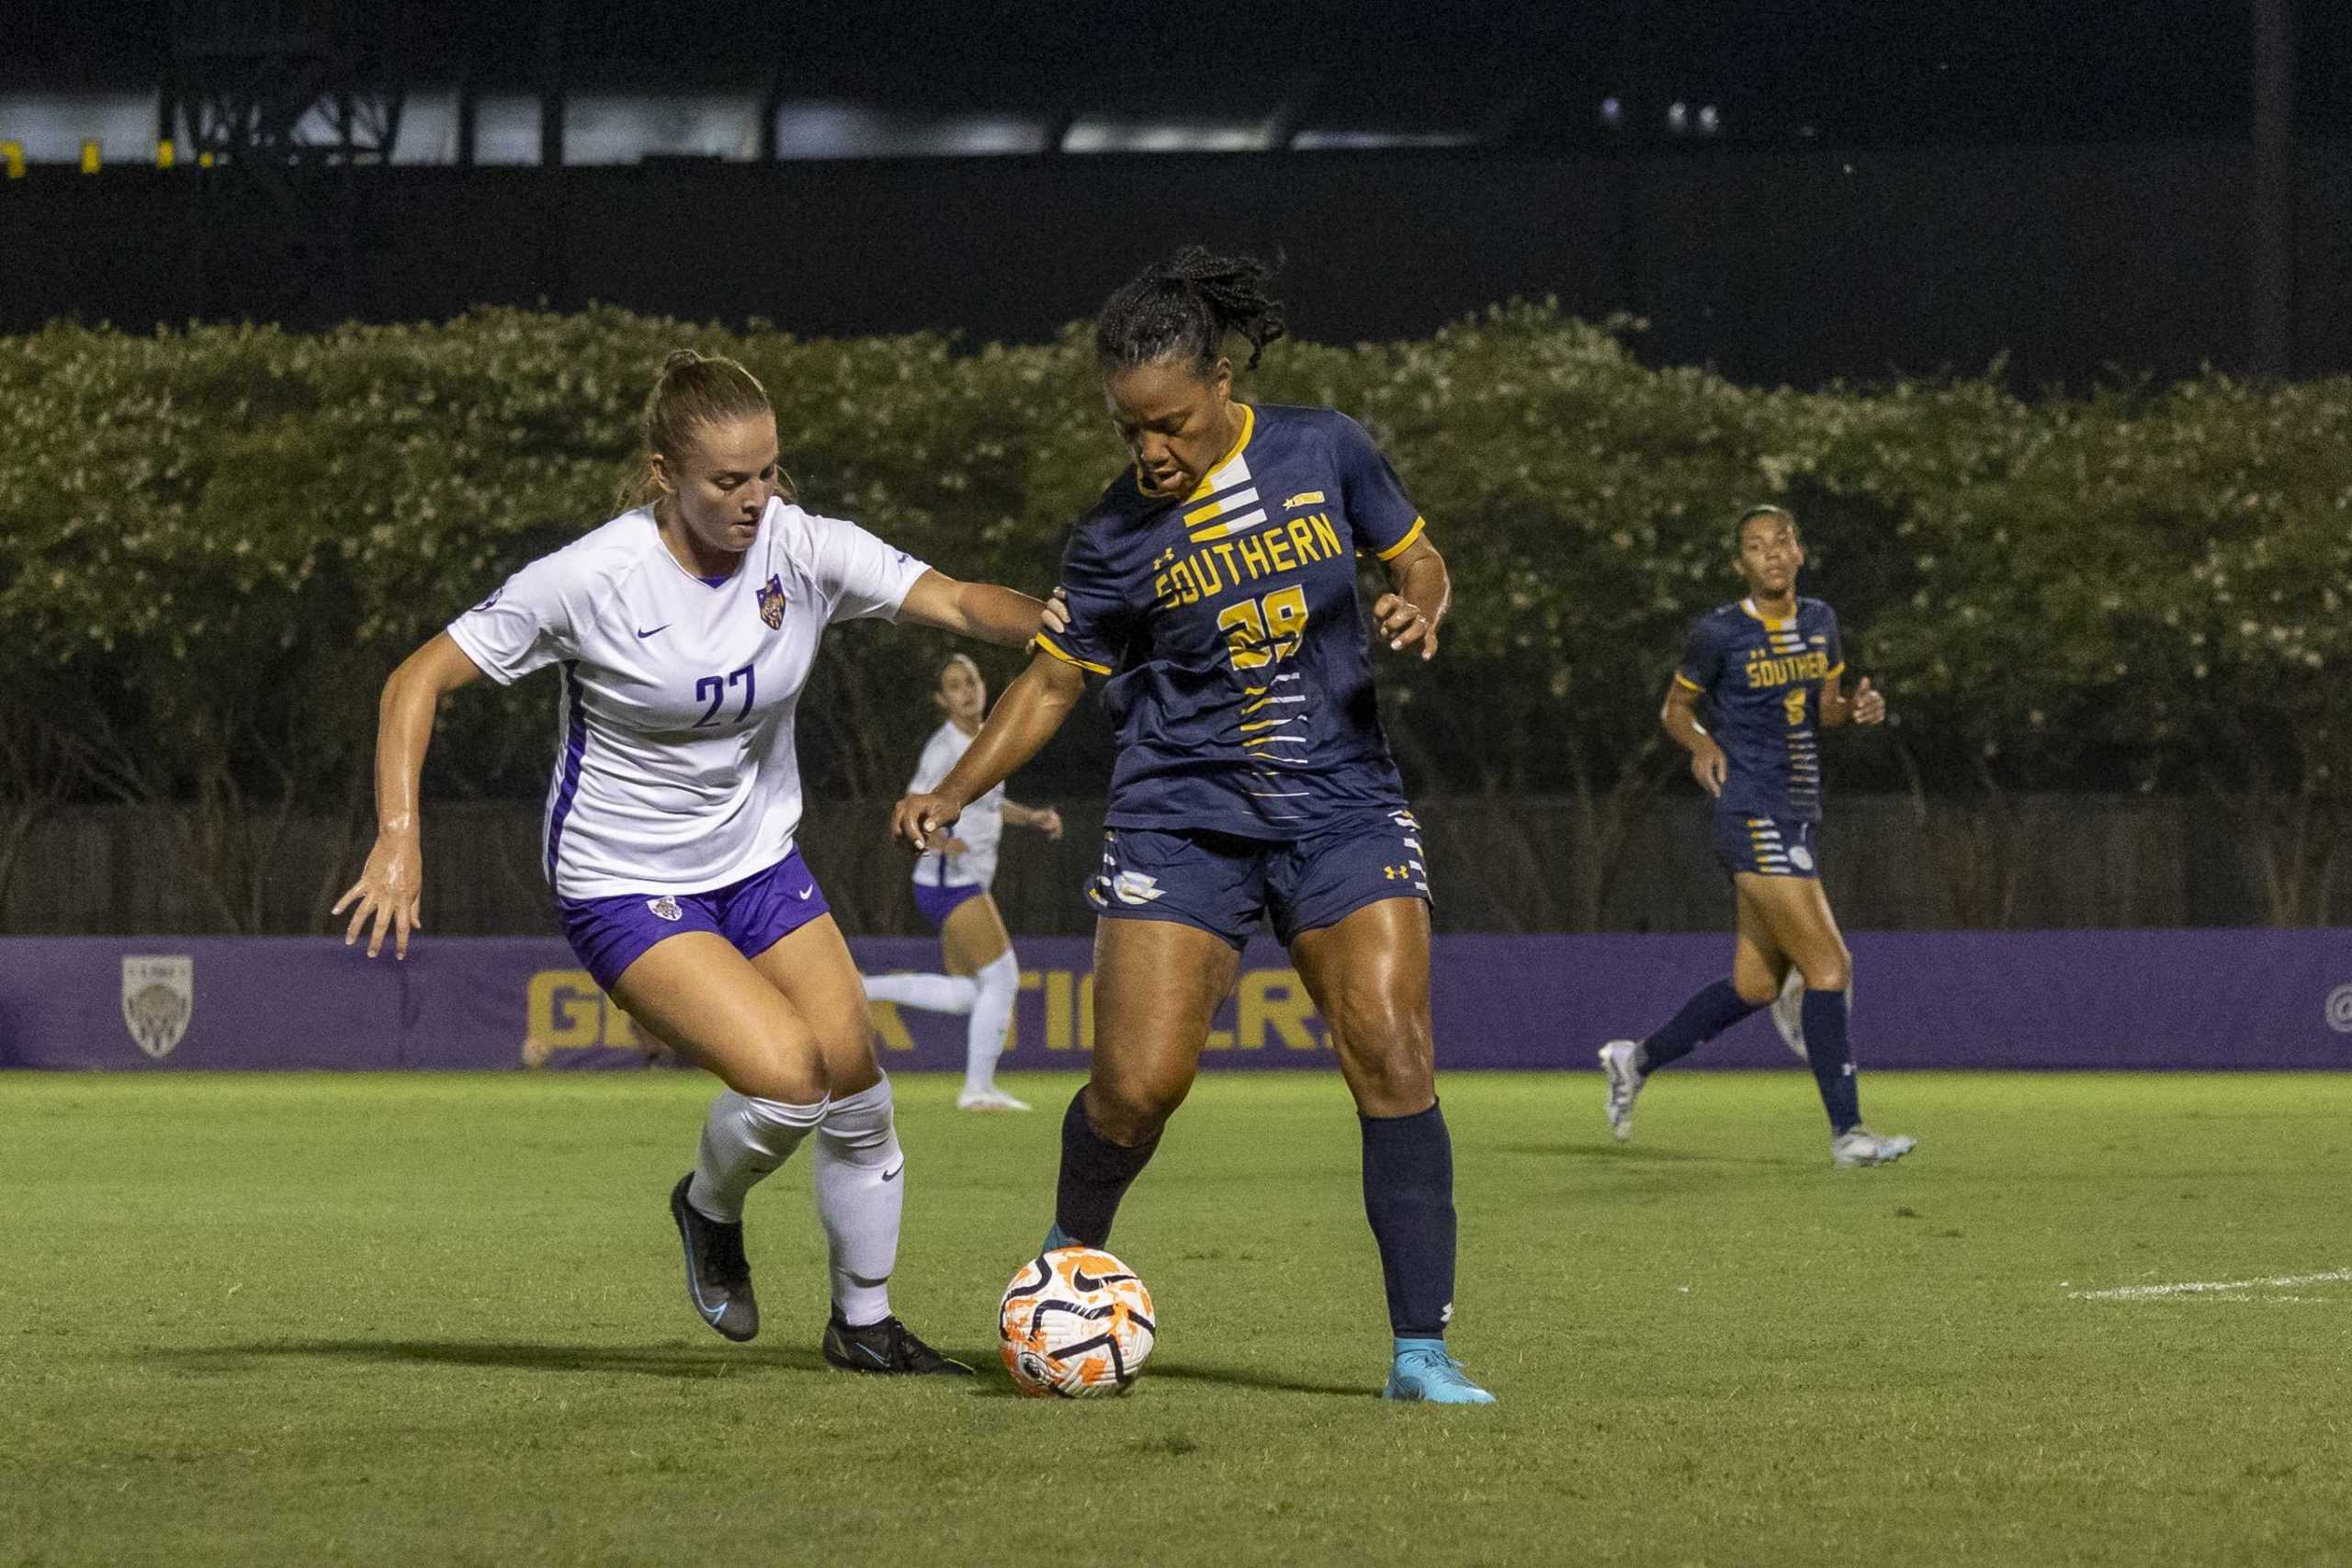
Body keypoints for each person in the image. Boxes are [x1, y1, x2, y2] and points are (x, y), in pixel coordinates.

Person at [334, 349, 1052, 1373]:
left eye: (768, 473)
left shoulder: (800, 547)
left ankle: (863, 1325)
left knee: (860, 1088)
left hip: (757, 863)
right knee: (788, 1085)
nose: (756, 499)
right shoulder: (589, 579)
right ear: (664, 471)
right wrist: (399, 839)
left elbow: (965, 605)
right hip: (624, 881)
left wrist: (1075, 623)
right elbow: (417, 680)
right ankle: (707, 1206)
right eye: (728, 481)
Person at [891, 247, 1494, 1405]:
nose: (1149, 451)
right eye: (1129, 432)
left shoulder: (1327, 446)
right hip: (1181, 822)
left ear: (1221, 382)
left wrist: (1421, 596)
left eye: (1168, 422)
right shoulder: (1114, 537)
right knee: (1135, 1088)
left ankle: (1421, 1350)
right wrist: (955, 789)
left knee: (1394, 1053)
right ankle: (1069, 1263)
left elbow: (1414, 551)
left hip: (1340, 803)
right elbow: (1054, 685)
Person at [1597, 504, 1916, 1168]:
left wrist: (1856, 709)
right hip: (1748, 808)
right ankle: (1849, 1133)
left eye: (1782, 541)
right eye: (1755, 546)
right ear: (1741, 562)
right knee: (1830, 967)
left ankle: (1637, 1059)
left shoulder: (1822, 622)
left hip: (1798, 808)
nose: (1771, 553)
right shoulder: (1718, 633)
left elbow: (1824, 709)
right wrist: (1701, 742)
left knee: (1755, 987)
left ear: (1799, 552)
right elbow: (1675, 709)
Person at [861, 653, 1064, 1112]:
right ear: (942, 699)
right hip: (950, 883)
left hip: (964, 881)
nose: (967, 691)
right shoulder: (943, 749)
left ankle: (863, 989)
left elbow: (989, 804)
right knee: (1003, 977)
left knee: (970, 993)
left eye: (971, 680)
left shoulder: (985, 739)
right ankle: (977, 1090)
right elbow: (908, 814)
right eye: (955, 685)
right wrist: (934, 842)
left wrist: (1031, 817)